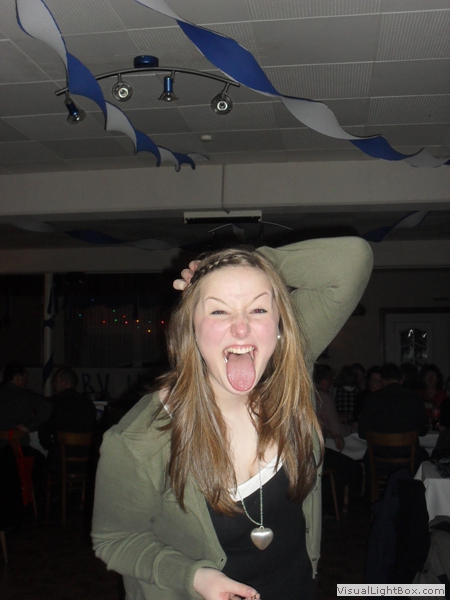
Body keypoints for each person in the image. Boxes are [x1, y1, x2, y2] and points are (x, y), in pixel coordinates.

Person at [92, 237, 373, 600]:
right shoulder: (141, 438)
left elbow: (353, 259)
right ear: (189, 327)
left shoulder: (289, 371)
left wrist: (241, 265)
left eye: (258, 309)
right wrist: (195, 577)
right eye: (219, 311)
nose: (241, 328)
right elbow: (115, 540)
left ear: (280, 324)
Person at [358, 362, 429, 473]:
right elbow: (423, 430)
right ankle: (416, 483)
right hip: (409, 459)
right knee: (426, 456)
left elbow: (362, 433)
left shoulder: (372, 399)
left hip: (379, 460)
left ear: (383, 380)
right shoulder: (415, 398)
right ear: (401, 380)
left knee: (367, 457)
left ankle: (372, 484)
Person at [314, 364, 361, 513]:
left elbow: (323, 424)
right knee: (353, 468)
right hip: (316, 451)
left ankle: (328, 505)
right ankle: (341, 507)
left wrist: (332, 432)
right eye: (330, 380)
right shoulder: (324, 396)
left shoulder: (308, 394)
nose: (332, 384)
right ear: (324, 381)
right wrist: (353, 427)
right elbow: (337, 429)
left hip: (309, 451)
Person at [0, 361, 52, 494]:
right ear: (18, 378)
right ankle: (31, 498)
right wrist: (29, 427)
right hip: (19, 454)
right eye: (25, 378)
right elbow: (47, 406)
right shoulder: (24, 396)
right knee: (42, 463)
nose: (27, 381)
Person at [38, 367, 97, 471]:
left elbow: (44, 435)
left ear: (65, 383)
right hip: (86, 462)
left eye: (56, 381)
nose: (53, 383)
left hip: (60, 463)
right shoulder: (88, 404)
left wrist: (52, 449)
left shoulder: (53, 404)